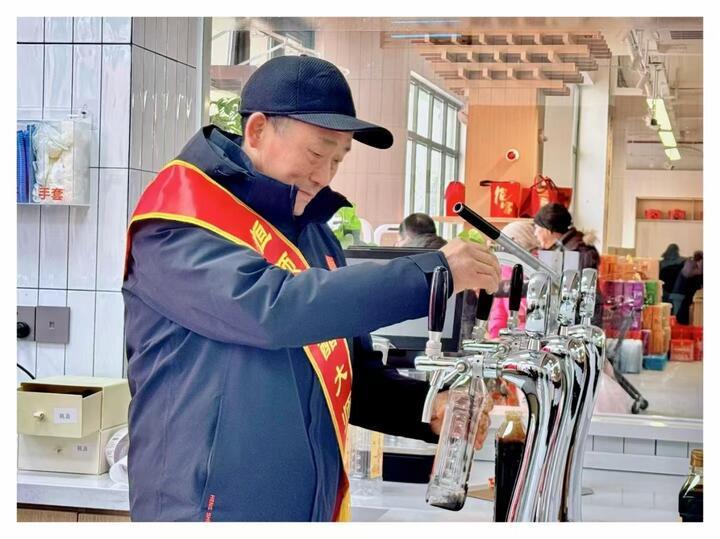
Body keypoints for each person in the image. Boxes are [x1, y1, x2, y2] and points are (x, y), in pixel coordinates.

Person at [122, 55, 501, 522]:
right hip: (202, 510)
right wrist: (431, 275)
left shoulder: (313, 234)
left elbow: (348, 375)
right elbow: (273, 309)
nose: (324, 175)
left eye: (338, 159)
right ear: (257, 130)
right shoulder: (178, 223)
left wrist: (426, 409)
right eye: (317, 153)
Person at [487, 221, 539, 339]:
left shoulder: (541, 267)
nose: (503, 249)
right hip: (510, 339)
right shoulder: (506, 268)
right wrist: (495, 336)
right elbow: (499, 310)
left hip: (534, 338)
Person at [532, 203, 600, 273]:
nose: (535, 233)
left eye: (536, 228)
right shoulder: (555, 250)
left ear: (548, 229)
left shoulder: (580, 253)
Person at [670, 250, 703, 324]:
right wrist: (700, 266)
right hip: (679, 294)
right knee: (677, 317)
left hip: (678, 293)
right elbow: (691, 273)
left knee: (678, 315)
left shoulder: (690, 263)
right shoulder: (690, 264)